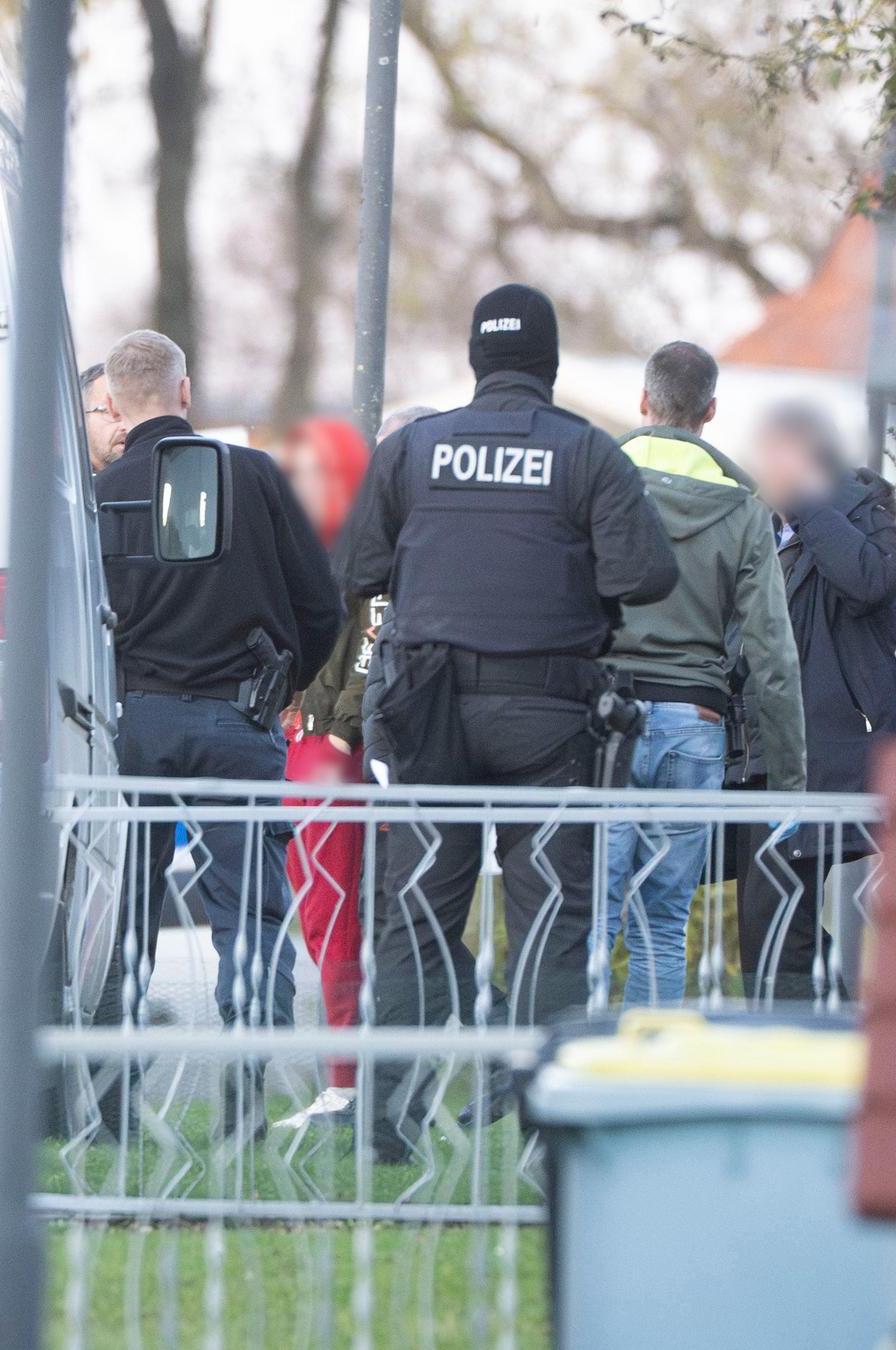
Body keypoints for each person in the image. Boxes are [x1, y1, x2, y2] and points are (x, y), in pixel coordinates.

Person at [337, 284, 679, 1159]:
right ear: (550, 364)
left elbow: (357, 566)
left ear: (475, 361)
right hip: (550, 716)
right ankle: (549, 1136)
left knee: (415, 916)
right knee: (552, 925)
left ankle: (386, 1132)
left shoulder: (413, 450)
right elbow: (646, 575)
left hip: (427, 713)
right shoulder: (586, 452)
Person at [95, 330, 345, 1136]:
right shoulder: (255, 476)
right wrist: (287, 681)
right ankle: (245, 1087)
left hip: (135, 725)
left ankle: (114, 1094)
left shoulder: (100, 495)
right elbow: (322, 602)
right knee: (249, 910)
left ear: (114, 405)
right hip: (239, 718)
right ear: (185, 391)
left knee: (126, 909)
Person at [601, 342, 806, 1007]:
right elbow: (773, 653)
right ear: (711, 410)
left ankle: (575, 1067)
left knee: (592, 917)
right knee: (662, 921)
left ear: (643, 400)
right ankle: (647, 1062)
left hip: (602, 722)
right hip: (696, 721)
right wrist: (790, 783)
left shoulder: (598, 482)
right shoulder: (743, 508)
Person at [275, 407, 435, 1131]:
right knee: (338, 917)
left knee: (336, 917)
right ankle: (370, 1078)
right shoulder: (370, 529)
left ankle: (349, 1085)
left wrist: (336, 727)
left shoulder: (393, 536)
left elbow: (374, 633)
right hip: (324, 743)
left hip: (337, 754)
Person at [737, 401, 896, 997]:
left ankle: (824, 1032)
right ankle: (838, 1025)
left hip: (822, 753)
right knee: (772, 926)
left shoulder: (864, 509)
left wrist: (806, 502)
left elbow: (871, 581)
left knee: (779, 925)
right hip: (763, 756)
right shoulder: (763, 526)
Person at [80, 362, 125, 472]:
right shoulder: (64, 479)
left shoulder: (159, 473)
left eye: (133, 412)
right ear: (81, 417)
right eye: (109, 411)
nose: (126, 425)